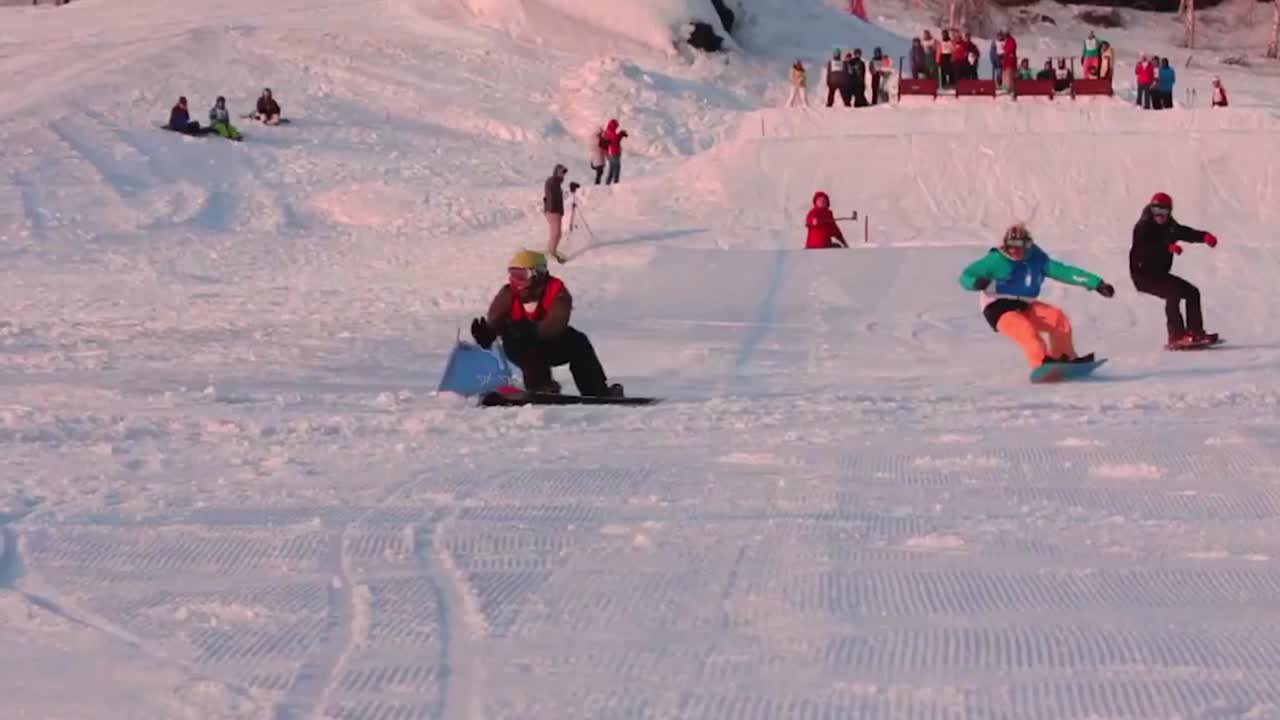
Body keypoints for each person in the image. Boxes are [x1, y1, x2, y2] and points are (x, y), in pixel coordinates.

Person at [959, 223, 1115, 368]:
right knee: (1025, 330)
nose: (1014, 251)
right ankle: (1041, 363)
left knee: (1057, 319)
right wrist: (975, 282)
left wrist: (1096, 283)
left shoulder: (1038, 260)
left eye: (1019, 247)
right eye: (1010, 247)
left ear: (1028, 245)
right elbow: (967, 275)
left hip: (1023, 305)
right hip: (997, 307)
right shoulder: (996, 260)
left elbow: (1065, 272)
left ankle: (1065, 358)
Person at [469, 250, 623, 397]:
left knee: (579, 342)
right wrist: (487, 334)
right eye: (513, 274)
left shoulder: (556, 290)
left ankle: (596, 391)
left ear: (538, 273)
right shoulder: (508, 294)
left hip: (550, 341)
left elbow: (557, 319)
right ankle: (541, 387)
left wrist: (533, 330)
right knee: (527, 347)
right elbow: (496, 319)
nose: (516, 280)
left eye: (522, 274)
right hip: (518, 346)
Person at [1129, 192, 1219, 347]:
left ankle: (1195, 332)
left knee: (1192, 292)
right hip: (1143, 275)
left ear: (1169, 212)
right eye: (1156, 211)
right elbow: (1143, 248)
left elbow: (1186, 232)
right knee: (1173, 292)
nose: (1159, 216)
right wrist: (1166, 247)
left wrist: (1204, 236)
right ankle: (1176, 335)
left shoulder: (1170, 227)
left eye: (1163, 212)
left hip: (1160, 274)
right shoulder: (1143, 227)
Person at [543, 163, 568, 263]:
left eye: (564, 173)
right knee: (556, 234)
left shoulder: (555, 182)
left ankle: (551, 252)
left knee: (555, 234)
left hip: (553, 211)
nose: (563, 175)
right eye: (562, 172)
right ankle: (551, 254)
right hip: (553, 211)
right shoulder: (553, 181)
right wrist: (552, 208)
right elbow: (550, 195)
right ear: (557, 172)